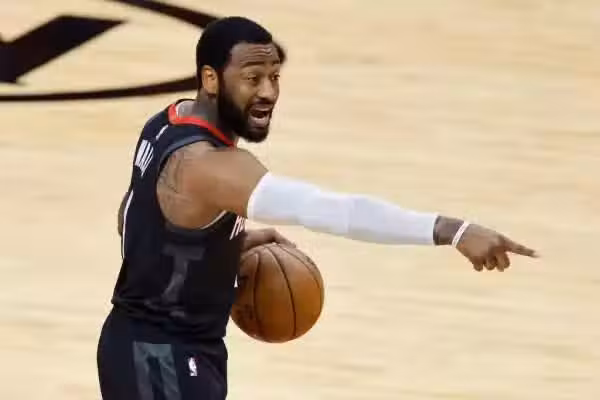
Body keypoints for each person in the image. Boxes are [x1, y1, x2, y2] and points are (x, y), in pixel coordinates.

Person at [96, 16, 538, 400]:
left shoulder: (167, 121)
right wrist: (453, 230)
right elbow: (333, 211)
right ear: (211, 79)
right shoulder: (211, 165)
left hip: (155, 346)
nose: (268, 92)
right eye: (252, 78)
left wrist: (216, 248)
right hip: (159, 358)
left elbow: (130, 218)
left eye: (275, 77)